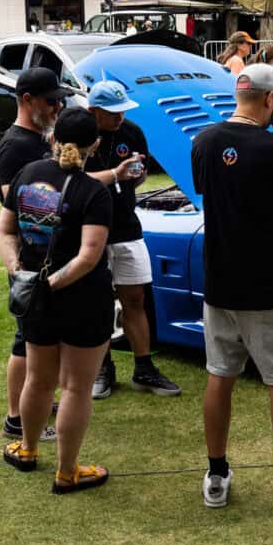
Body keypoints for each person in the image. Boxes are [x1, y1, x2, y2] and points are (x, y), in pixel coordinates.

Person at [190, 63, 273, 514]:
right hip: (270, 279)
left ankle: (216, 474)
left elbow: (211, 191)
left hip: (220, 277)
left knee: (219, 373)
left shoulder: (203, 142)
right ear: (270, 100)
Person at [0, 107, 114, 495]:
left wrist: (20, 273)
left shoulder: (26, 175)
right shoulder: (93, 192)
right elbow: (89, 256)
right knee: (77, 388)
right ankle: (67, 471)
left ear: (52, 138)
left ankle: (28, 450)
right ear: (94, 146)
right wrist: (53, 283)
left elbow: (5, 230)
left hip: (34, 295)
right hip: (82, 298)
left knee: (38, 378)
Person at [83, 81, 181, 400]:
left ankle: (144, 367)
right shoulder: (78, 133)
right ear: (92, 110)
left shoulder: (132, 131)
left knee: (136, 298)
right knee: (97, 303)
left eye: (123, 110)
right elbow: (70, 179)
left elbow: (140, 174)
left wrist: (136, 174)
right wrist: (116, 173)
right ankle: (102, 368)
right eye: (112, 112)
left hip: (127, 225)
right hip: (91, 228)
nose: (119, 117)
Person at [0, 68, 71, 444]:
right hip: (27, 261)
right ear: (27, 100)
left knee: (39, 341)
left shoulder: (39, 139)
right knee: (25, 341)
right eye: (50, 100)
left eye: (59, 100)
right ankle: (15, 417)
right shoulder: (14, 146)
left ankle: (34, 401)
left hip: (45, 258)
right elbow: (18, 204)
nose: (58, 106)